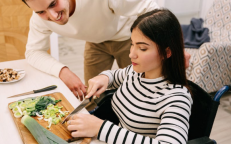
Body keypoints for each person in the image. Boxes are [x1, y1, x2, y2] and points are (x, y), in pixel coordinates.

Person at [15, 0, 160, 99]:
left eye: (53, 4)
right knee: (92, 95)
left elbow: (152, 9)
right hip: (96, 42)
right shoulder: (39, 19)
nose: (53, 16)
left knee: (139, 91)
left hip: (127, 38)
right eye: (41, 11)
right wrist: (63, 71)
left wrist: (172, 45)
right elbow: (33, 52)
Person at [66, 9, 193, 144]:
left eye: (142, 48)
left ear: (167, 52)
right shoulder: (136, 72)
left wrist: (100, 128)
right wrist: (103, 78)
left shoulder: (177, 98)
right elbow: (115, 76)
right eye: (132, 44)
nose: (131, 54)